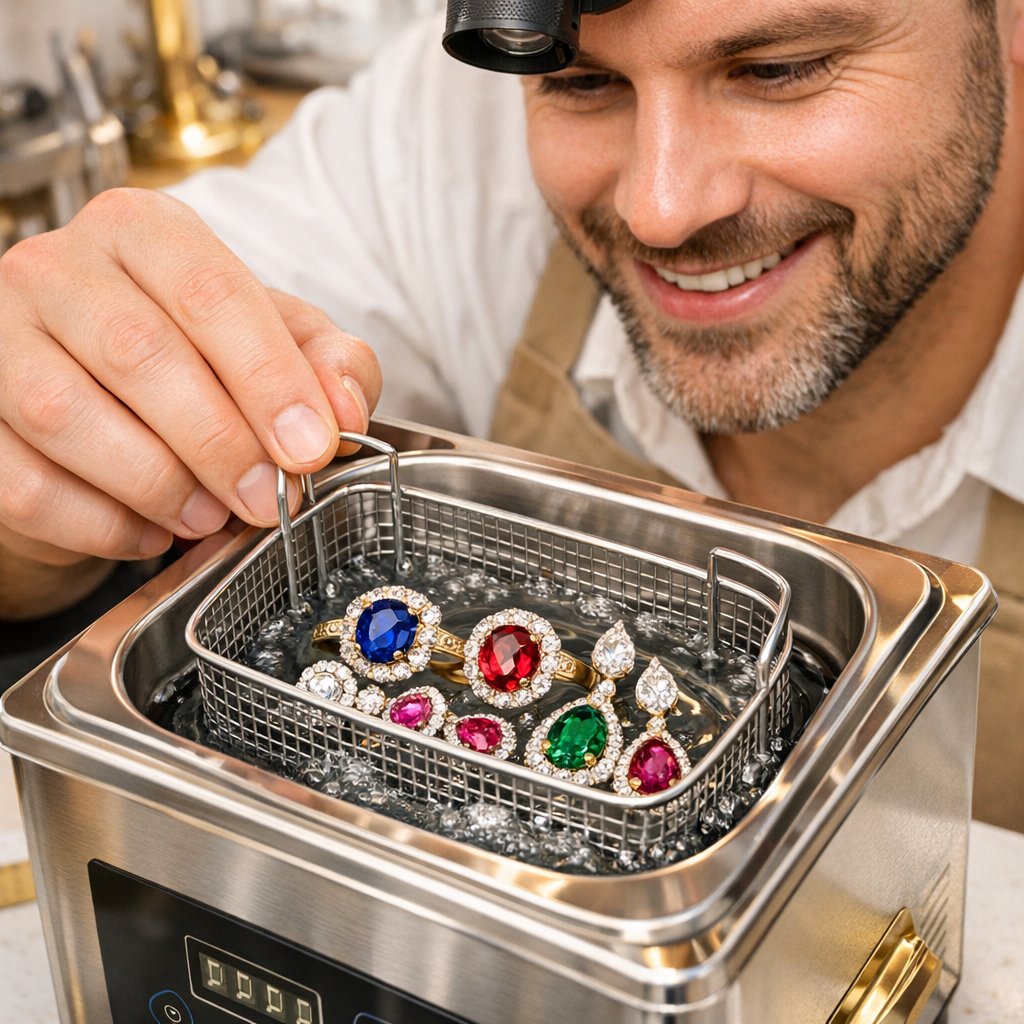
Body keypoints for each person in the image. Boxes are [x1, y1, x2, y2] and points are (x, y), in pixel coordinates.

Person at [1, 0, 1022, 825]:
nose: (660, 207)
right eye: (581, 83)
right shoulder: (442, 139)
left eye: (779, 69)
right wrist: (45, 491)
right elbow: (85, 389)